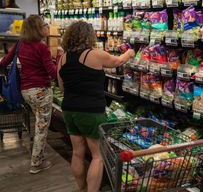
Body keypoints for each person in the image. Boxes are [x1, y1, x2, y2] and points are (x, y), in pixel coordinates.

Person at [57, 21, 135, 192]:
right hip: (91, 111)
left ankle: (82, 188)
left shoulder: (62, 58)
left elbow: (62, 87)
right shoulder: (95, 54)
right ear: (89, 36)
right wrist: (130, 52)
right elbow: (117, 61)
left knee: (77, 152)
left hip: (69, 110)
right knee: (97, 156)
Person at [0, 15, 57, 173]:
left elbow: (4, 62)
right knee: (41, 127)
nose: (47, 27)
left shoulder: (20, 44)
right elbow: (52, 73)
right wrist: (59, 57)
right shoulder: (42, 47)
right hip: (41, 91)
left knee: (39, 123)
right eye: (44, 24)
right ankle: (36, 163)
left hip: (26, 91)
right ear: (38, 28)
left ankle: (39, 155)